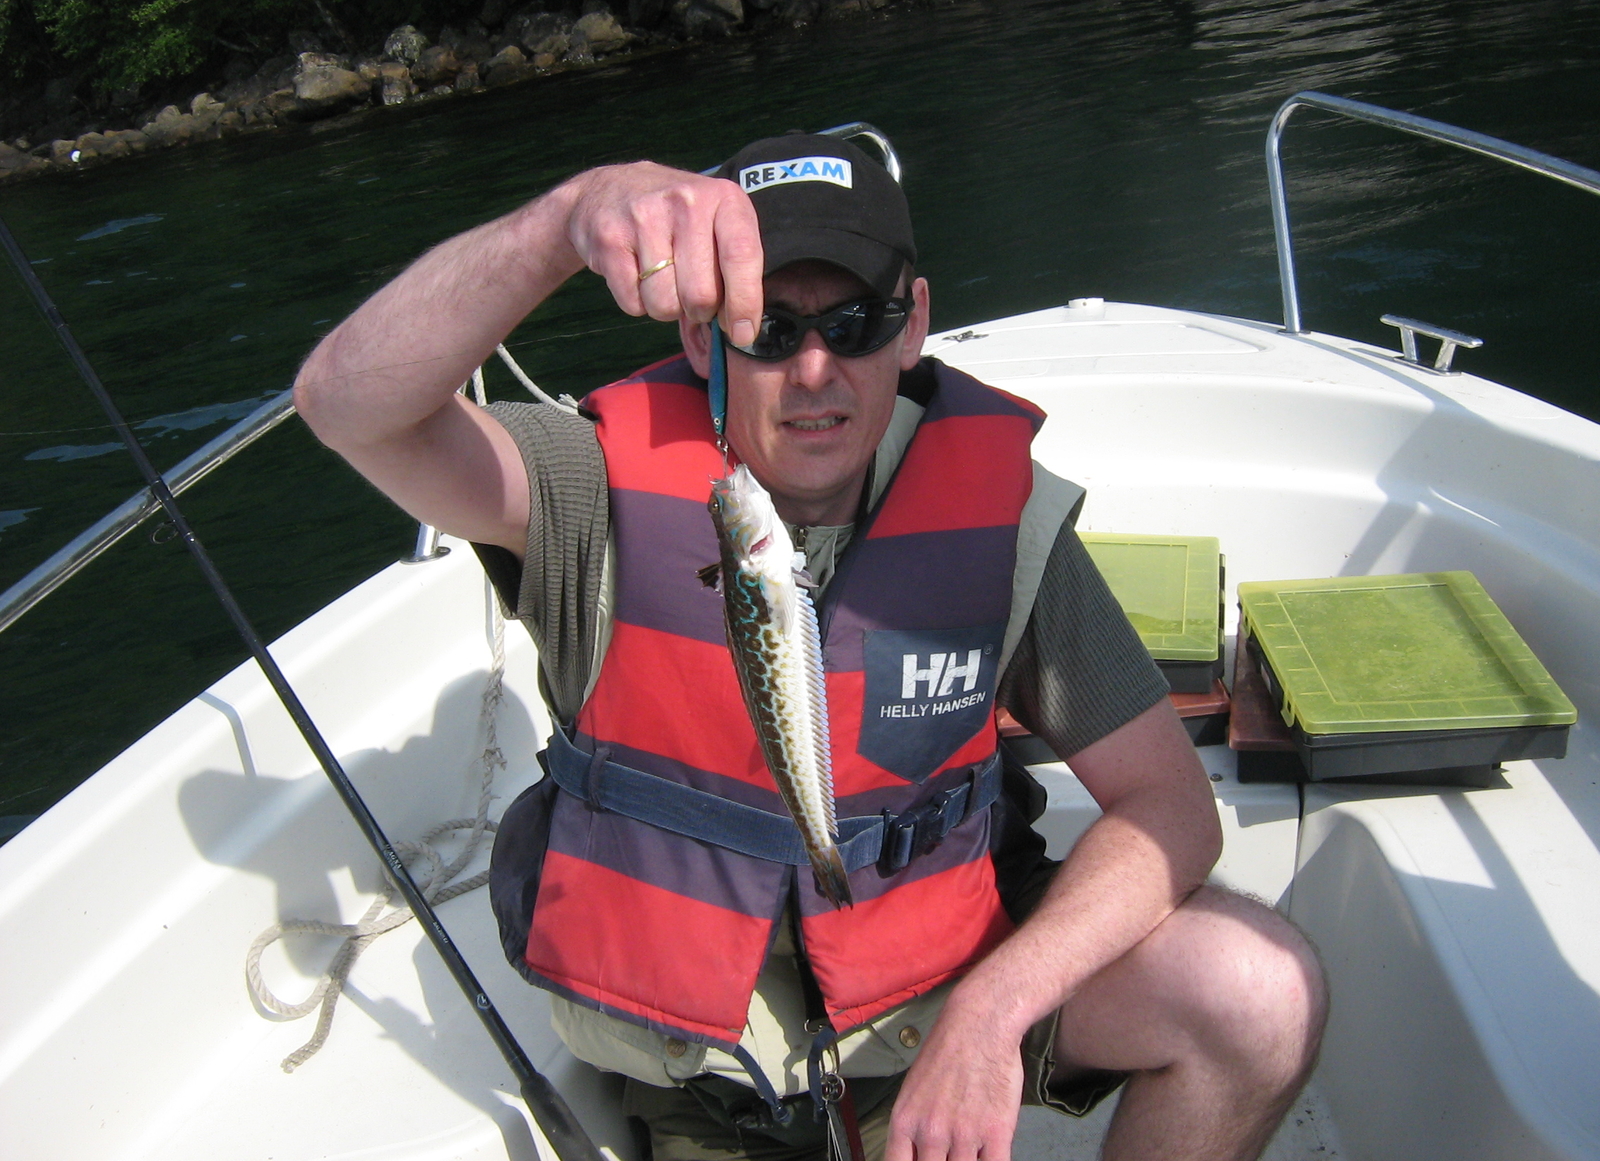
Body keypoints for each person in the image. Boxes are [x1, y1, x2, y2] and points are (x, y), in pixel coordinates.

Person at [294, 132, 1327, 1161]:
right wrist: (564, 219)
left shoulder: (996, 518)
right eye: (769, 329)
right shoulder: (588, 494)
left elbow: (1169, 807)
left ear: (912, 325)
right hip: (706, 1059)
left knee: (1255, 994)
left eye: (855, 322)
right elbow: (346, 407)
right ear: (702, 339)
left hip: (945, 986)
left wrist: (995, 1008)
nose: (815, 370)